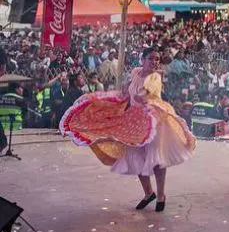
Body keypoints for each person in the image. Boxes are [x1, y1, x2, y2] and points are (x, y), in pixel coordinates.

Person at [60, 48, 196, 212]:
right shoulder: (136, 73)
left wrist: (140, 97)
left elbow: (145, 94)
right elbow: (128, 92)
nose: (154, 62)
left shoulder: (155, 77)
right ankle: (148, 193)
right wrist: (117, 98)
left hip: (155, 121)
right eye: (151, 59)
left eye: (157, 59)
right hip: (134, 120)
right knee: (135, 157)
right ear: (142, 60)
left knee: (157, 160)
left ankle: (161, 195)